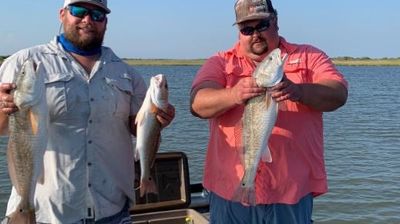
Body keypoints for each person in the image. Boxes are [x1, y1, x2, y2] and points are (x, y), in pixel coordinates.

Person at [0, 0, 175, 223]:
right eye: (79, 11)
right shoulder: (23, 62)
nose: (87, 20)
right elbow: (3, 128)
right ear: (62, 14)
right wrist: (3, 108)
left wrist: (158, 120)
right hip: (43, 213)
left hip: (111, 210)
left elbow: (138, 130)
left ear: (106, 22)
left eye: (97, 14)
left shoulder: (127, 74)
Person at [190, 0, 348, 223]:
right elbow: (197, 104)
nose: (255, 34)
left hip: (290, 192)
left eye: (262, 25)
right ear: (239, 32)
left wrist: (298, 91)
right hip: (230, 192)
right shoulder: (220, 62)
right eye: (247, 29)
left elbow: (338, 94)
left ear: (276, 21)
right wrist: (234, 94)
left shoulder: (309, 56)